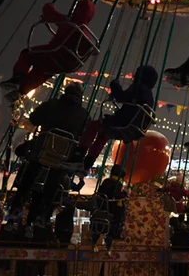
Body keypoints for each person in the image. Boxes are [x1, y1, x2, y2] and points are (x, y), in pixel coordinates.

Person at [9, 82, 88, 222]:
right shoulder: (83, 115)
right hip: (62, 157)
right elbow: (85, 135)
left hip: (42, 150)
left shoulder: (52, 105)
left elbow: (33, 119)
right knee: (56, 176)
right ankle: (44, 209)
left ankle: (18, 201)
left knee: (31, 168)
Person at [0, 0, 97, 100]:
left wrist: (49, 5)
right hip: (65, 65)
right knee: (43, 71)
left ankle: (18, 77)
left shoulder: (69, 23)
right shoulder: (87, 36)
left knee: (27, 54)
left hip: (54, 53)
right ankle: (21, 91)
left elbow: (49, 12)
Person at [78, 65, 159, 169]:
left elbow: (121, 97)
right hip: (133, 126)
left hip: (123, 122)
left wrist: (115, 85)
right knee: (104, 135)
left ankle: (79, 155)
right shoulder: (150, 95)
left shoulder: (138, 87)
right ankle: (87, 164)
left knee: (92, 126)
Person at [92, 165, 128, 249]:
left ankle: (94, 242)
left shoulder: (106, 181)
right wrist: (125, 193)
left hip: (101, 207)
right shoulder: (117, 183)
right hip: (111, 209)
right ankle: (114, 235)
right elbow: (117, 195)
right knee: (119, 216)